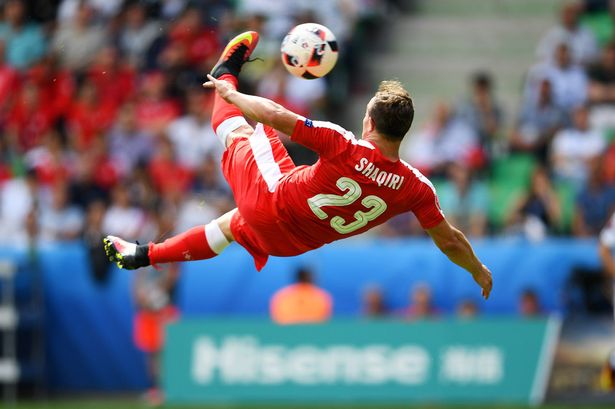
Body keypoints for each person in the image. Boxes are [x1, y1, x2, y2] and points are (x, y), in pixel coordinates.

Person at [103, 31, 492, 300]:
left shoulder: (344, 145)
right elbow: (450, 240)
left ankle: (224, 72)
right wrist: (477, 269)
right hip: (291, 243)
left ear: (369, 122)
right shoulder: (416, 187)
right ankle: (144, 256)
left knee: (241, 130)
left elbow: (273, 114)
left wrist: (230, 93)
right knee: (225, 228)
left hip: (274, 201)